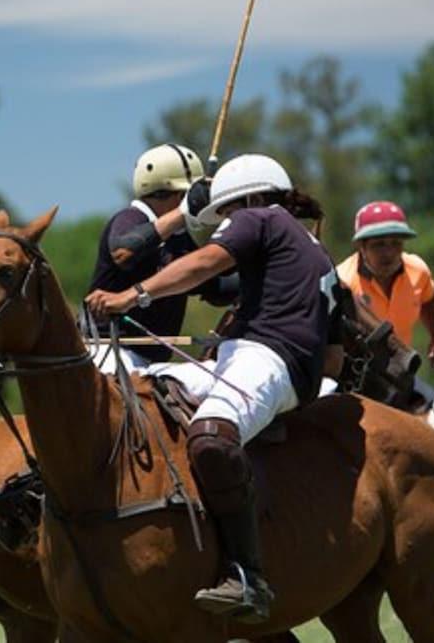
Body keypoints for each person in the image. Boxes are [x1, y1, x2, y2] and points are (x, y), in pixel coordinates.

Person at [87, 154, 344, 624]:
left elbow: (206, 263)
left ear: (245, 199)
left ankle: (247, 575)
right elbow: (335, 353)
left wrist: (133, 295)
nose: (226, 225)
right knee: (146, 394)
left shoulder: (260, 216)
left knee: (211, 432)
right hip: (246, 355)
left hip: (271, 359)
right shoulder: (314, 249)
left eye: (224, 216)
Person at [86, 143, 235, 373]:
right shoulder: (130, 218)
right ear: (176, 196)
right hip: (108, 354)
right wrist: (183, 212)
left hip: (153, 366)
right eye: (188, 196)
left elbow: (215, 287)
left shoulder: (180, 239)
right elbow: (123, 252)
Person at [337, 201, 434, 364]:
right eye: (379, 245)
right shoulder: (343, 281)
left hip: (401, 371)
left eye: (396, 244)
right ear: (362, 246)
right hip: (354, 374)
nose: (388, 253)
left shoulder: (418, 271)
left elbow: (429, 300)